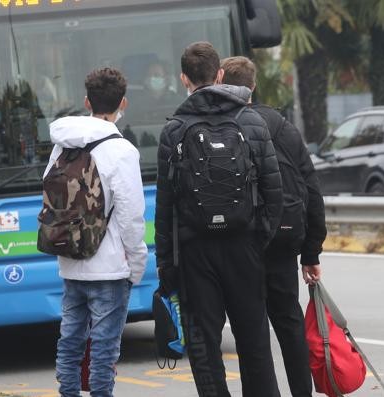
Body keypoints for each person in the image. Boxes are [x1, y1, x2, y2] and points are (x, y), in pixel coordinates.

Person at [155, 42, 284, 397]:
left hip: (196, 252)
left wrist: (166, 264)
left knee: (204, 342)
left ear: (184, 79)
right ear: (221, 74)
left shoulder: (174, 130)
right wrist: (258, 240)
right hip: (244, 246)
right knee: (253, 339)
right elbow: (275, 194)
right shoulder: (252, 121)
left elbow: (165, 207)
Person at [219, 56, 327, 397]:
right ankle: (301, 393)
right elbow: (310, 188)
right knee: (289, 321)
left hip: (243, 240)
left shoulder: (224, 126)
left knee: (251, 329)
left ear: (222, 82)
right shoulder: (282, 126)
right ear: (253, 85)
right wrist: (311, 251)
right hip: (283, 239)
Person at [49, 67, 148, 397]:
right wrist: (136, 266)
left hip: (70, 260)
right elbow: (132, 215)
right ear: (124, 103)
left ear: (86, 101)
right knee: (104, 348)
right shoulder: (122, 151)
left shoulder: (62, 145)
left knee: (70, 341)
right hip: (109, 266)